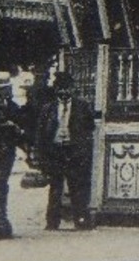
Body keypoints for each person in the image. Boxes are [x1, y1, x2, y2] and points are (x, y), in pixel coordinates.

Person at [34, 71, 95, 230]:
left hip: (74, 152)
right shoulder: (48, 109)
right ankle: (52, 222)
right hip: (55, 152)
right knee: (55, 188)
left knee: (77, 187)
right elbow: (41, 134)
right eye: (61, 89)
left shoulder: (82, 106)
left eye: (67, 88)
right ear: (56, 90)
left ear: (72, 89)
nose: (64, 92)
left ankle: (81, 221)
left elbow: (89, 130)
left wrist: (83, 150)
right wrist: (41, 155)